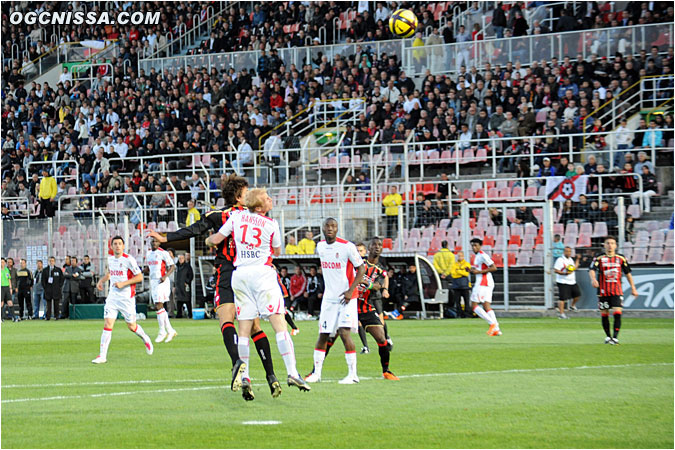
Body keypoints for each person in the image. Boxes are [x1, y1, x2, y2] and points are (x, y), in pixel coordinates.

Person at [148, 175, 280, 397]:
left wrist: (165, 238)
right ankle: (271, 376)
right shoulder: (255, 217)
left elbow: (194, 230)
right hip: (251, 272)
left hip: (228, 273)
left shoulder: (219, 216)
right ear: (239, 197)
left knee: (226, 320)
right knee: (255, 326)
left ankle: (237, 362)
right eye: (246, 193)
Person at [206, 188, 310, 400]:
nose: (271, 200)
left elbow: (216, 239)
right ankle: (292, 372)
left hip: (240, 275)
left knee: (244, 329)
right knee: (279, 324)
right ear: (260, 206)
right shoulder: (271, 224)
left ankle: (246, 376)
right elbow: (278, 251)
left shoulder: (236, 217)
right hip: (262, 275)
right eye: (267, 198)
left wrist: (208, 241)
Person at [304, 218, 366, 384]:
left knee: (345, 333)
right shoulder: (320, 246)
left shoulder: (347, 246)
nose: (330, 228)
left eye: (334, 226)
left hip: (347, 298)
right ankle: (316, 373)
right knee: (323, 334)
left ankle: (353, 375)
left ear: (337, 229)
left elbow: (361, 269)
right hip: (329, 299)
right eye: (328, 226)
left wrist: (351, 290)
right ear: (323, 228)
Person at [92, 236, 153, 364]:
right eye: (115, 244)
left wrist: (124, 283)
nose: (118, 246)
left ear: (123, 246)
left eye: (120, 243)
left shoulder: (129, 260)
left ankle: (145, 337)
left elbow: (140, 277)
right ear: (112, 246)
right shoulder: (110, 259)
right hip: (113, 297)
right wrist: (102, 280)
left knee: (132, 326)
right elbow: (112, 273)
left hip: (126, 298)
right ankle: (102, 356)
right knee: (108, 324)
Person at [354, 237, 399, 380]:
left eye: (380, 245)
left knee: (382, 338)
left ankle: (386, 371)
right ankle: (315, 371)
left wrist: (368, 283)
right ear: (369, 249)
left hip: (366, 307)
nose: (377, 247)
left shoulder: (380, 269)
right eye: (374, 245)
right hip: (349, 305)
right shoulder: (358, 263)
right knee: (329, 336)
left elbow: (379, 285)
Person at [589, 236, 639, 345]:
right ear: (604, 245)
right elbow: (592, 270)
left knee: (617, 312)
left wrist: (633, 288)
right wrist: (593, 279)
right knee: (604, 314)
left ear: (616, 245)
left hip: (616, 291)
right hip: (603, 291)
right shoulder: (599, 258)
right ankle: (608, 336)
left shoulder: (621, 258)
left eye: (612, 243)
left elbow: (628, 273)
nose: (610, 245)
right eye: (608, 243)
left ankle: (615, 338)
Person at [146, 238, 177, 343]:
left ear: (159, 243)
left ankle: (162, 331)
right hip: (153, 281)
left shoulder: (163, 253)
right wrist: (139, 271)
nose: (154, 243)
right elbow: (149, 268)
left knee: (158, 305)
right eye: (153, 241)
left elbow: (172, 266)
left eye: (156, 241)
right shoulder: (149, 253)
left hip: (161, 281)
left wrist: (165, 276)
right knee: (159, 306)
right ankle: (170, 330)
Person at [469, 238, 501, 336]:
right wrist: (472, 270)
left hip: (483, 282)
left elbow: (493, 267)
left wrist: (478, 272)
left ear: (480, 246)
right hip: (486, 282)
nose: (474, 247)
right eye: (473, 246)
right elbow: (479, 268)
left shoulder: (483, 255)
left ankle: (492, 323)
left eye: (476, 245)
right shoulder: (477, 256)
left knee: (474, 305)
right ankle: (497, 329)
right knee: (486, 306)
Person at [553, 246, 582, 319]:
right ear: (564, 252)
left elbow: (574, 268)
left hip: (572, 281)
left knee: (577, 294)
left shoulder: (571, 260)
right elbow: (556, 270)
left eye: (569, 252)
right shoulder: (560, 260)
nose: (568, 253)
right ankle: (561, 314)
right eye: (567, 251)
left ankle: (572, 306)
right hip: (563, 281)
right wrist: (565, 273)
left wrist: (578, 259)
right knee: (562, 298)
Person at [450, 251, 472, 318]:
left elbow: (466, 273)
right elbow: (453, 274)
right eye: (458, 256)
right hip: (456, 286)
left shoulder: (467, 264)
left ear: (463, 256)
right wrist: (461, 271)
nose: (460, 257)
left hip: (465, 286)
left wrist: (458, 271)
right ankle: (459, 314)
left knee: (466, 301)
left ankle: (467, 314)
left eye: (461, 256)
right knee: (457, 301)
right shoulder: (454, 264)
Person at [41, 256, 63, 320]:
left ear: (54, 262)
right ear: (48, 261)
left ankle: (57, 316)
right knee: (48, 304)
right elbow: (43, 280)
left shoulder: (58, 270)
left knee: (56, 304)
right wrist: (45, 288)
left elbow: (62, 279)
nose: (51, 262)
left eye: (52, 261)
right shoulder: (45, 270)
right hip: (48, 290)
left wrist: (59, 286)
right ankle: (48, 316)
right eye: (50, 261)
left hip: (56, 290)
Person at [174, 254, 193, 319]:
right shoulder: (176, 266)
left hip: (185, 286)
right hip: (178, 286)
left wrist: (187, 282)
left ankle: (190, 314)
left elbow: (191, 275)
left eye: (182, 258)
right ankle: (179, 314)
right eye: (179, 258)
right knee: (179, 301)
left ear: (184, 259)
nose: (181, 260)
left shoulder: (188, 266)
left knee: (187, 300)